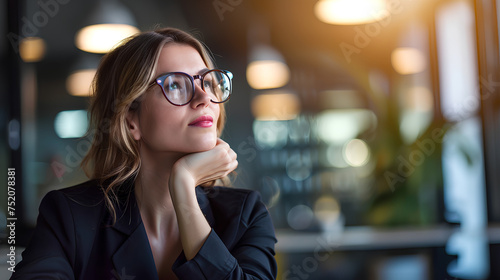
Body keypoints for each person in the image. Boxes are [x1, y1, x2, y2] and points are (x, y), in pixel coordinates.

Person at [11, 27, 277, 280]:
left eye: (208, 82)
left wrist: (183, 184)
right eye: (175, 85)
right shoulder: (69, 216)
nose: (203, 97)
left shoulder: (246, 215)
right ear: (131, 121)